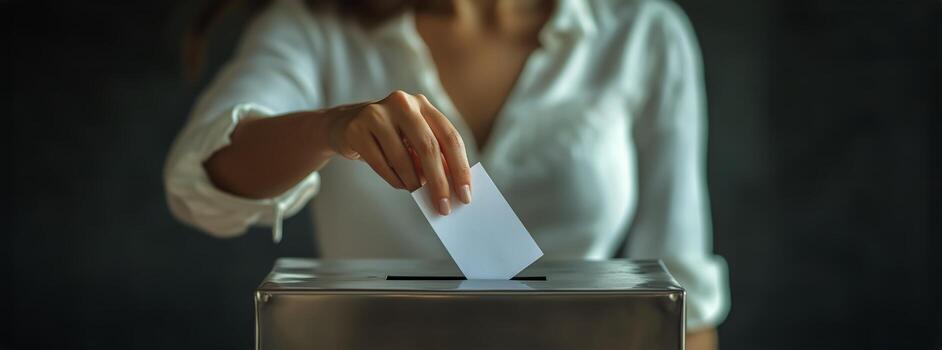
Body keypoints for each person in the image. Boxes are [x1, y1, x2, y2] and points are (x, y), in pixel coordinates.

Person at [165, 0, 729, 348]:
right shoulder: (317, 27)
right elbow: (201, 183)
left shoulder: (642, 33)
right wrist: (330, 128)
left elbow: (686, 298)